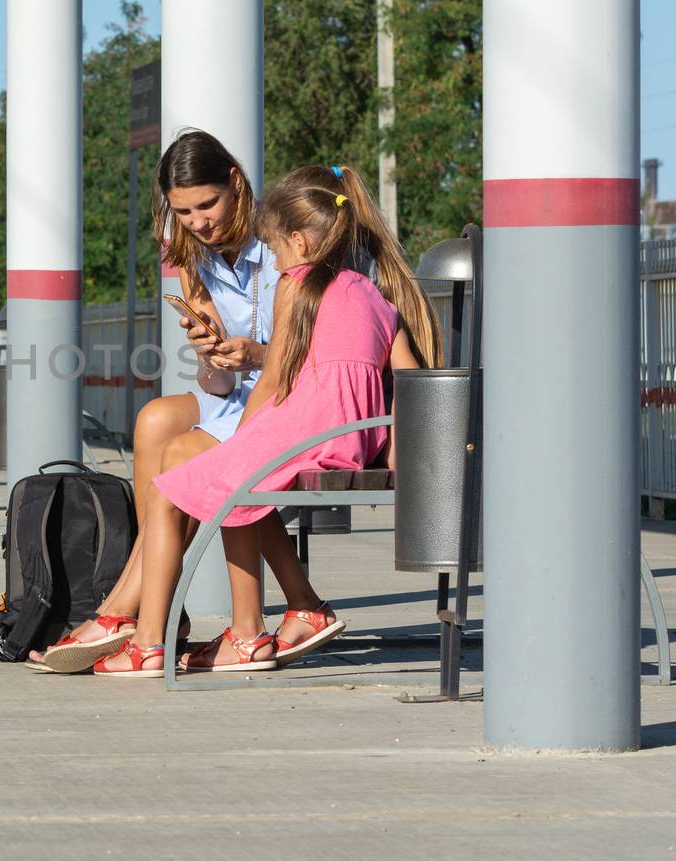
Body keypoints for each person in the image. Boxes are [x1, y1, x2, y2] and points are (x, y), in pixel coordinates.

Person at [91, 163, 444, 677]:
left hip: (305, 432)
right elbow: (412, 388)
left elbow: (276, 379)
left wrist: (245, 436)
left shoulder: (296, 286)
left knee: (171, 491)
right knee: (236, 481)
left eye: (276, 250)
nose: (275, 261)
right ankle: (249, 631)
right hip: (352, 441)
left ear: (298, 243)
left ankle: (153, 642)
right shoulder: (379, 298)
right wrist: (392, 454)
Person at [34, 129, 280, 674]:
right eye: (183, 211)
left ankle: (133, 611)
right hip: (240, 395)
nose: (197, 221)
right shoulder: (201, 259)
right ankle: (149, 604)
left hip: (287, 396)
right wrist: (211, 353)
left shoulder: (283, 245)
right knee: (154, 419)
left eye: (207, 204)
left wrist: (256, 356)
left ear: (235, 184)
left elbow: (313, 353)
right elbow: (217, 388)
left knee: (191, 449)